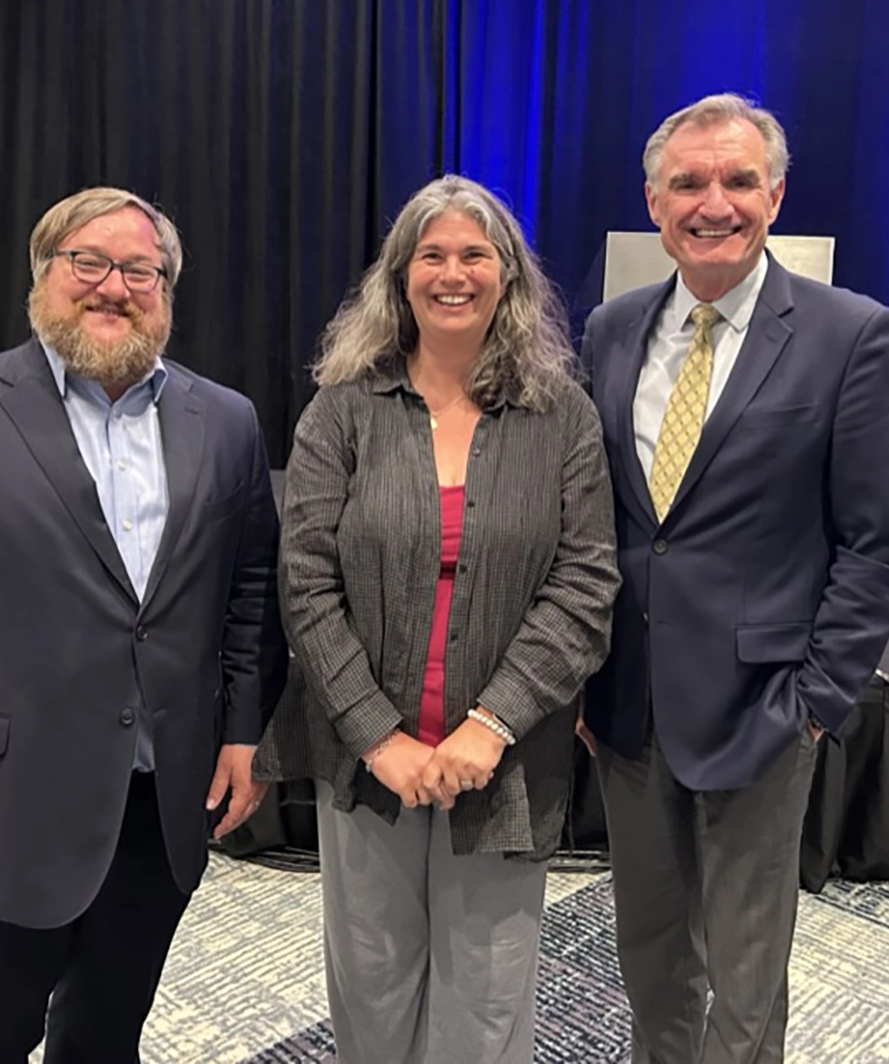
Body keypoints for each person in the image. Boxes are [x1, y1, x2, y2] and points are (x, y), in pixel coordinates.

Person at [0, 186, 287, 1063]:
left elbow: (249, 588)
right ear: (43, 277)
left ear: (167, 288)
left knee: (106, 1039)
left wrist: (242, 734)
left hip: (156, 809)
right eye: (88, 262)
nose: (112, 286)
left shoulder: (225, 422)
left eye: (139, 269)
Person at [579, 94, 889, 1064]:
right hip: (627, 703)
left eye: (734, 180)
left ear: (772, 196)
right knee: (647, 955)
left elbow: (877, 542)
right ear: (653, 201)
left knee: (743, 969)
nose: (710, 202)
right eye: (686, 183)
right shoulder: (610, 329)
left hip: (764, 708)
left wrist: (816, 700)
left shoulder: (848, 334)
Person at [254, 175, 619, 1063]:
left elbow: (585, 580)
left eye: (473, 254)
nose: (452, 273)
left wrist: (490, 726)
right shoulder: (343, 407)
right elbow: (305, 581)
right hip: (366, 755)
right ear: (400, 275)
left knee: (488, 995)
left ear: (508, 277)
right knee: (372, 981)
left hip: (504, 761)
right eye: (432, 254)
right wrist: (380, 736)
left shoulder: (561, 415)